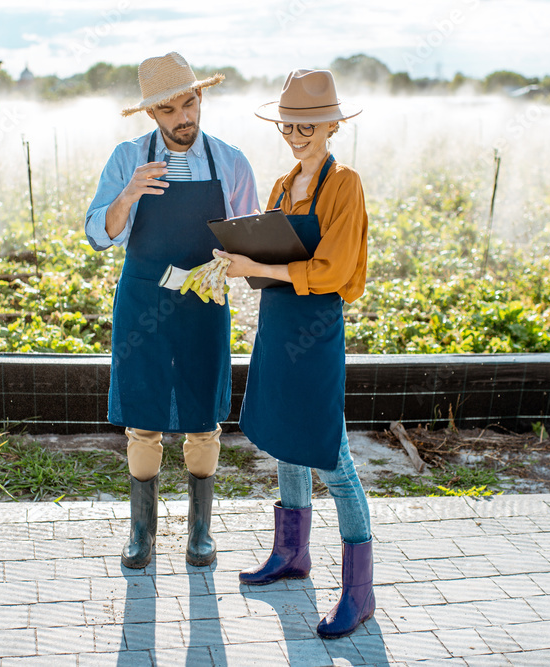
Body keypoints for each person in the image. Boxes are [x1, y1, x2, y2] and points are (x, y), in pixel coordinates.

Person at [85, 52, 259, 570]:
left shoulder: (230, 162)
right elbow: (98, 232)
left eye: (189, 103)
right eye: (169, 110)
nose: (183, 117)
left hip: (204, 305)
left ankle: (200, 534)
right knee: (143, 418)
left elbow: (250, 238)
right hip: (142, 301)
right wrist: (129, 194)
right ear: (151, 115)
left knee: (204, 419)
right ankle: (142, 534)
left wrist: (231, 264)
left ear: (200, 97)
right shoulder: (126, 159)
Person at [215, 69, 372, 639]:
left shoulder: (345, 185)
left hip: (317, 329)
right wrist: (230, 255)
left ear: (332, 124)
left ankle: (360, 592)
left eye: (307, 124)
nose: (296, 133)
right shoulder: (282, 188)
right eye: (288, 124)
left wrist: (253, 265)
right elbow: (266, 251)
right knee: (284, 436)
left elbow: (330, 271)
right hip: (278, 324)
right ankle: (292, 555)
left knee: (331, 454)